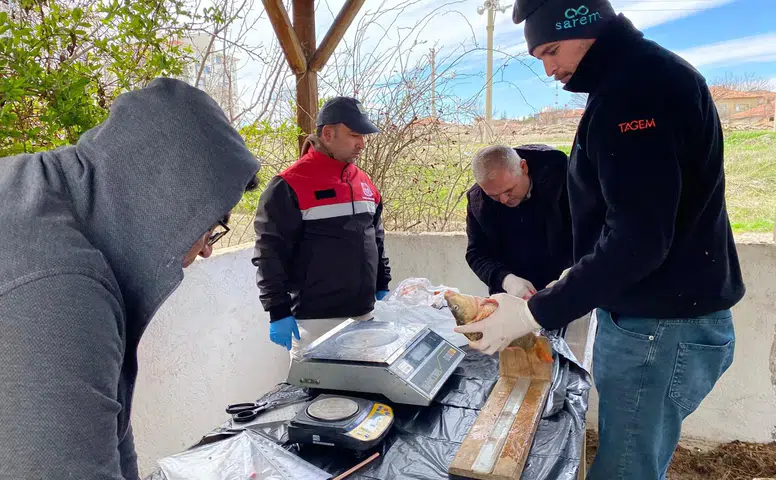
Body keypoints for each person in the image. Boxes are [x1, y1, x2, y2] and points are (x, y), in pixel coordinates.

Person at [455, 1, 746, 479]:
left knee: (624, 467)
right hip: (652, 316)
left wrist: (533, 312)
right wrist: (559, 280)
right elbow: (632, 218)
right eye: (539, 59)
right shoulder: (636, 80)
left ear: (584, 26)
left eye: (550, 51)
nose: (548, 69)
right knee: (633, 454)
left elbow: (639, 239)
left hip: (660, 325)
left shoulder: (634, 93)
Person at [0, 78, 260, 479]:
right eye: (213, 225)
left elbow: (111, 430)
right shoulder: (61, 288)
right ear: (176, 199)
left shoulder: (50, 192)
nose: (208, 249)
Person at [252, 96, 391, 358]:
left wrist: (382, 283)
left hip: (364, 315)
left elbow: (377, 238)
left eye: (363, 136)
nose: (361, 144)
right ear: (328, 133)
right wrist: (277, 311)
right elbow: (269, 253)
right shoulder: (289, 184)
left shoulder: (364, 182)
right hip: (314, 323)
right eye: (354, 135)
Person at [465, 144, 572, 300]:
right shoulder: (478, 201)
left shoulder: (563, 179)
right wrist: (506, 280)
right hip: (513, 296)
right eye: (493, 195)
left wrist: (574, 273)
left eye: (509, 190)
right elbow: (476, 253)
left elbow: (591, 231)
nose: (503, 200)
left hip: (566, 288)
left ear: (524, 167)